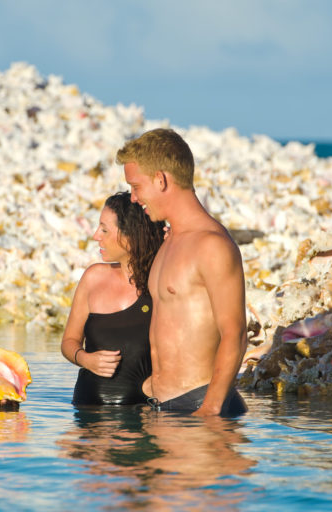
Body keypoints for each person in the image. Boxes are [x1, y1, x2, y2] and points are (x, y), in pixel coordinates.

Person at [116, 128, 248, 417]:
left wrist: (210, 411)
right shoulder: (170, 241)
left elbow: (235, 333)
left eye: (136, 187)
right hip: (167, 410)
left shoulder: (211, 246)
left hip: (201, 407)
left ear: (161, 180)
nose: (134, 198)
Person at [61, 192, 166, 405]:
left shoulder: (162, 282)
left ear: (131, 236)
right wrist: (85, 359)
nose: (96, 235)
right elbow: (68, 342)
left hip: (141, 417)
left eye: (105, 230)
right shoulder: (93, 278)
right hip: (87, 420)